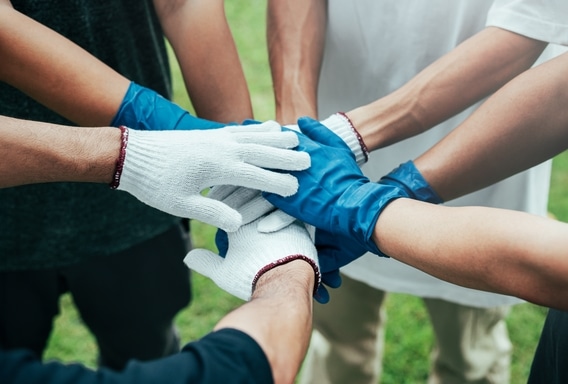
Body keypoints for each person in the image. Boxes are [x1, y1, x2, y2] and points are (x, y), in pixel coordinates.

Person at [266, 0, 567, 382]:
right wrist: (303, 132)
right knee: (339, 337)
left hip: (489, 146)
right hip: (331, 143)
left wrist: (351, 140)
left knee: (468, 356)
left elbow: (536, 21)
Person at [0, 0, 257, 370]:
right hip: (10, 212)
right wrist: (157, 126)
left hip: (142, 199)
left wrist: (245, 164)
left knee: (149, 352)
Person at [0, 114, 318, 384]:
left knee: (146, 339)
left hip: (132, 230)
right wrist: (287, 267)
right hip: (12, 249)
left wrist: (128, 156)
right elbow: (240, 369)